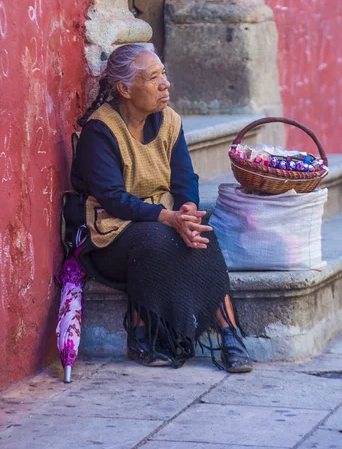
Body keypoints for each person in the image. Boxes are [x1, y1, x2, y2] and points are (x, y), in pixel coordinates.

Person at [68, 42, 253, 373]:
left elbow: (185, 178)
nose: (165, 83)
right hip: (109, 233)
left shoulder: (169, 121)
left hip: (161, 218)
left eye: (163, 74)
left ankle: (230, 335)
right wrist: (168, 218)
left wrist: (188, 213)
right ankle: (143, 335)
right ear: (125, 88)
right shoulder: (101, 130)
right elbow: (112, 198)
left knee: (202, 230)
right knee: (155, 238)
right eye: (153, 77)